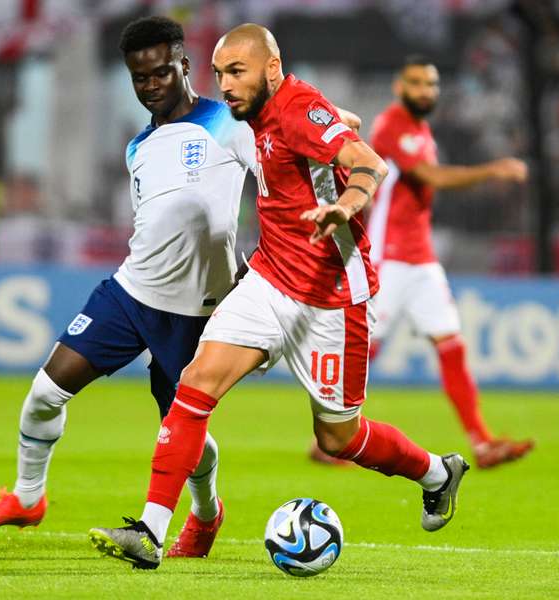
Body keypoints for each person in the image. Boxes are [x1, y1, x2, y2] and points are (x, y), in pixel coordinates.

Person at [87, 24, 470, 570]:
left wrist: (346, 204)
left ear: (271, 68)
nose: (225, 85)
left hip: (333, 297)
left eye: (237, 72)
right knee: (194, 387)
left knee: (339, 438)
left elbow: (369, 162)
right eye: (219, 74)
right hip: (269, 279)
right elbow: (338, 127)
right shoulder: (252, 115)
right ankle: (151, 530)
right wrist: (339, 122)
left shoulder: (294, 109)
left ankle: (437, 472)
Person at [0, 16, 257, 559]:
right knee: (46, 391)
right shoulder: (137, 147)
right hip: (130, 292)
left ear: (184, 65)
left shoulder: (231, 124)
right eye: (140, 79)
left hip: (197, 311)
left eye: (161, 73)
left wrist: (262, 261)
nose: (151, 86)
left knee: (182, 431)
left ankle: (206, 514)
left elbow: (275, 187)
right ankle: (26, 498)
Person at [360, 56, 533, 469]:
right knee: (364, 347)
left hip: (420, 258)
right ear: (399, 87)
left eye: (432, 84)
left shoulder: (420, 130)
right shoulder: (392, 125)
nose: (425, 91)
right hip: (389, 258)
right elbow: (430, 177)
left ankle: (482, 442)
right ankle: (333, 432)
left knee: (451, 344)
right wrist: (493, 169)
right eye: (417, 83)